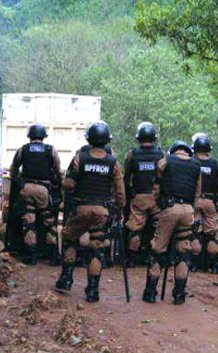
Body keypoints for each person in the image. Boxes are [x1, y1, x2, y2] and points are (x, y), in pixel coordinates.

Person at [55, 121, 125, 303]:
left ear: (89, 139)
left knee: (69, 238)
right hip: (101, 211)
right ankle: (93, 290)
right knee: (96, 248)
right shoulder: (113, 162)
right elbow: (120, 191)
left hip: (81, 208)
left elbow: (68, 184)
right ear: (106, 141)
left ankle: (66, 279)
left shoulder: (80, 158)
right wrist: (118, 211)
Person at [141, 141, 201, 304]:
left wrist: (158, 206)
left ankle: (151, 292)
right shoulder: (196, 165)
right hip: (187, 210)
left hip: (169, 208)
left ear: (173, 151)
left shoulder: (165, 160)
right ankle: (179, 294)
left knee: (158, 250)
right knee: (183, 251)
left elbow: (156, 187)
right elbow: (197, 193)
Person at [8, 124, 62, 265]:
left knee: (29, 222)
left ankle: (32, 256)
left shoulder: (23, 149)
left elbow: (13, 169)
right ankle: (53, 256)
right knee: (49, 222)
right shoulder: (50, 150)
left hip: (26, 188)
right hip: (43, 190)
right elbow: (57, 170)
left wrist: (20, 182)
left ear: (30, 136)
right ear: (43, 136)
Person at [123, 122, 164, 267]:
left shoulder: (132, 154)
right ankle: (153, 258)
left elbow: (126, 178)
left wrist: (129, 196)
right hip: (156, 198)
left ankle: (131, 259)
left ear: (139, 138)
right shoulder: (161, 155)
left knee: (135, 229)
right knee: (158, 229)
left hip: (139, 198)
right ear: (154, 138)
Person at [191, 133, 218, 273]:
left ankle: (194, 264)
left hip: (196, 200)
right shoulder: (214, 163)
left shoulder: (192, 162)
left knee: (195, 232)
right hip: (210, 200)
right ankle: (213, 265)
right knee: (212, 233)